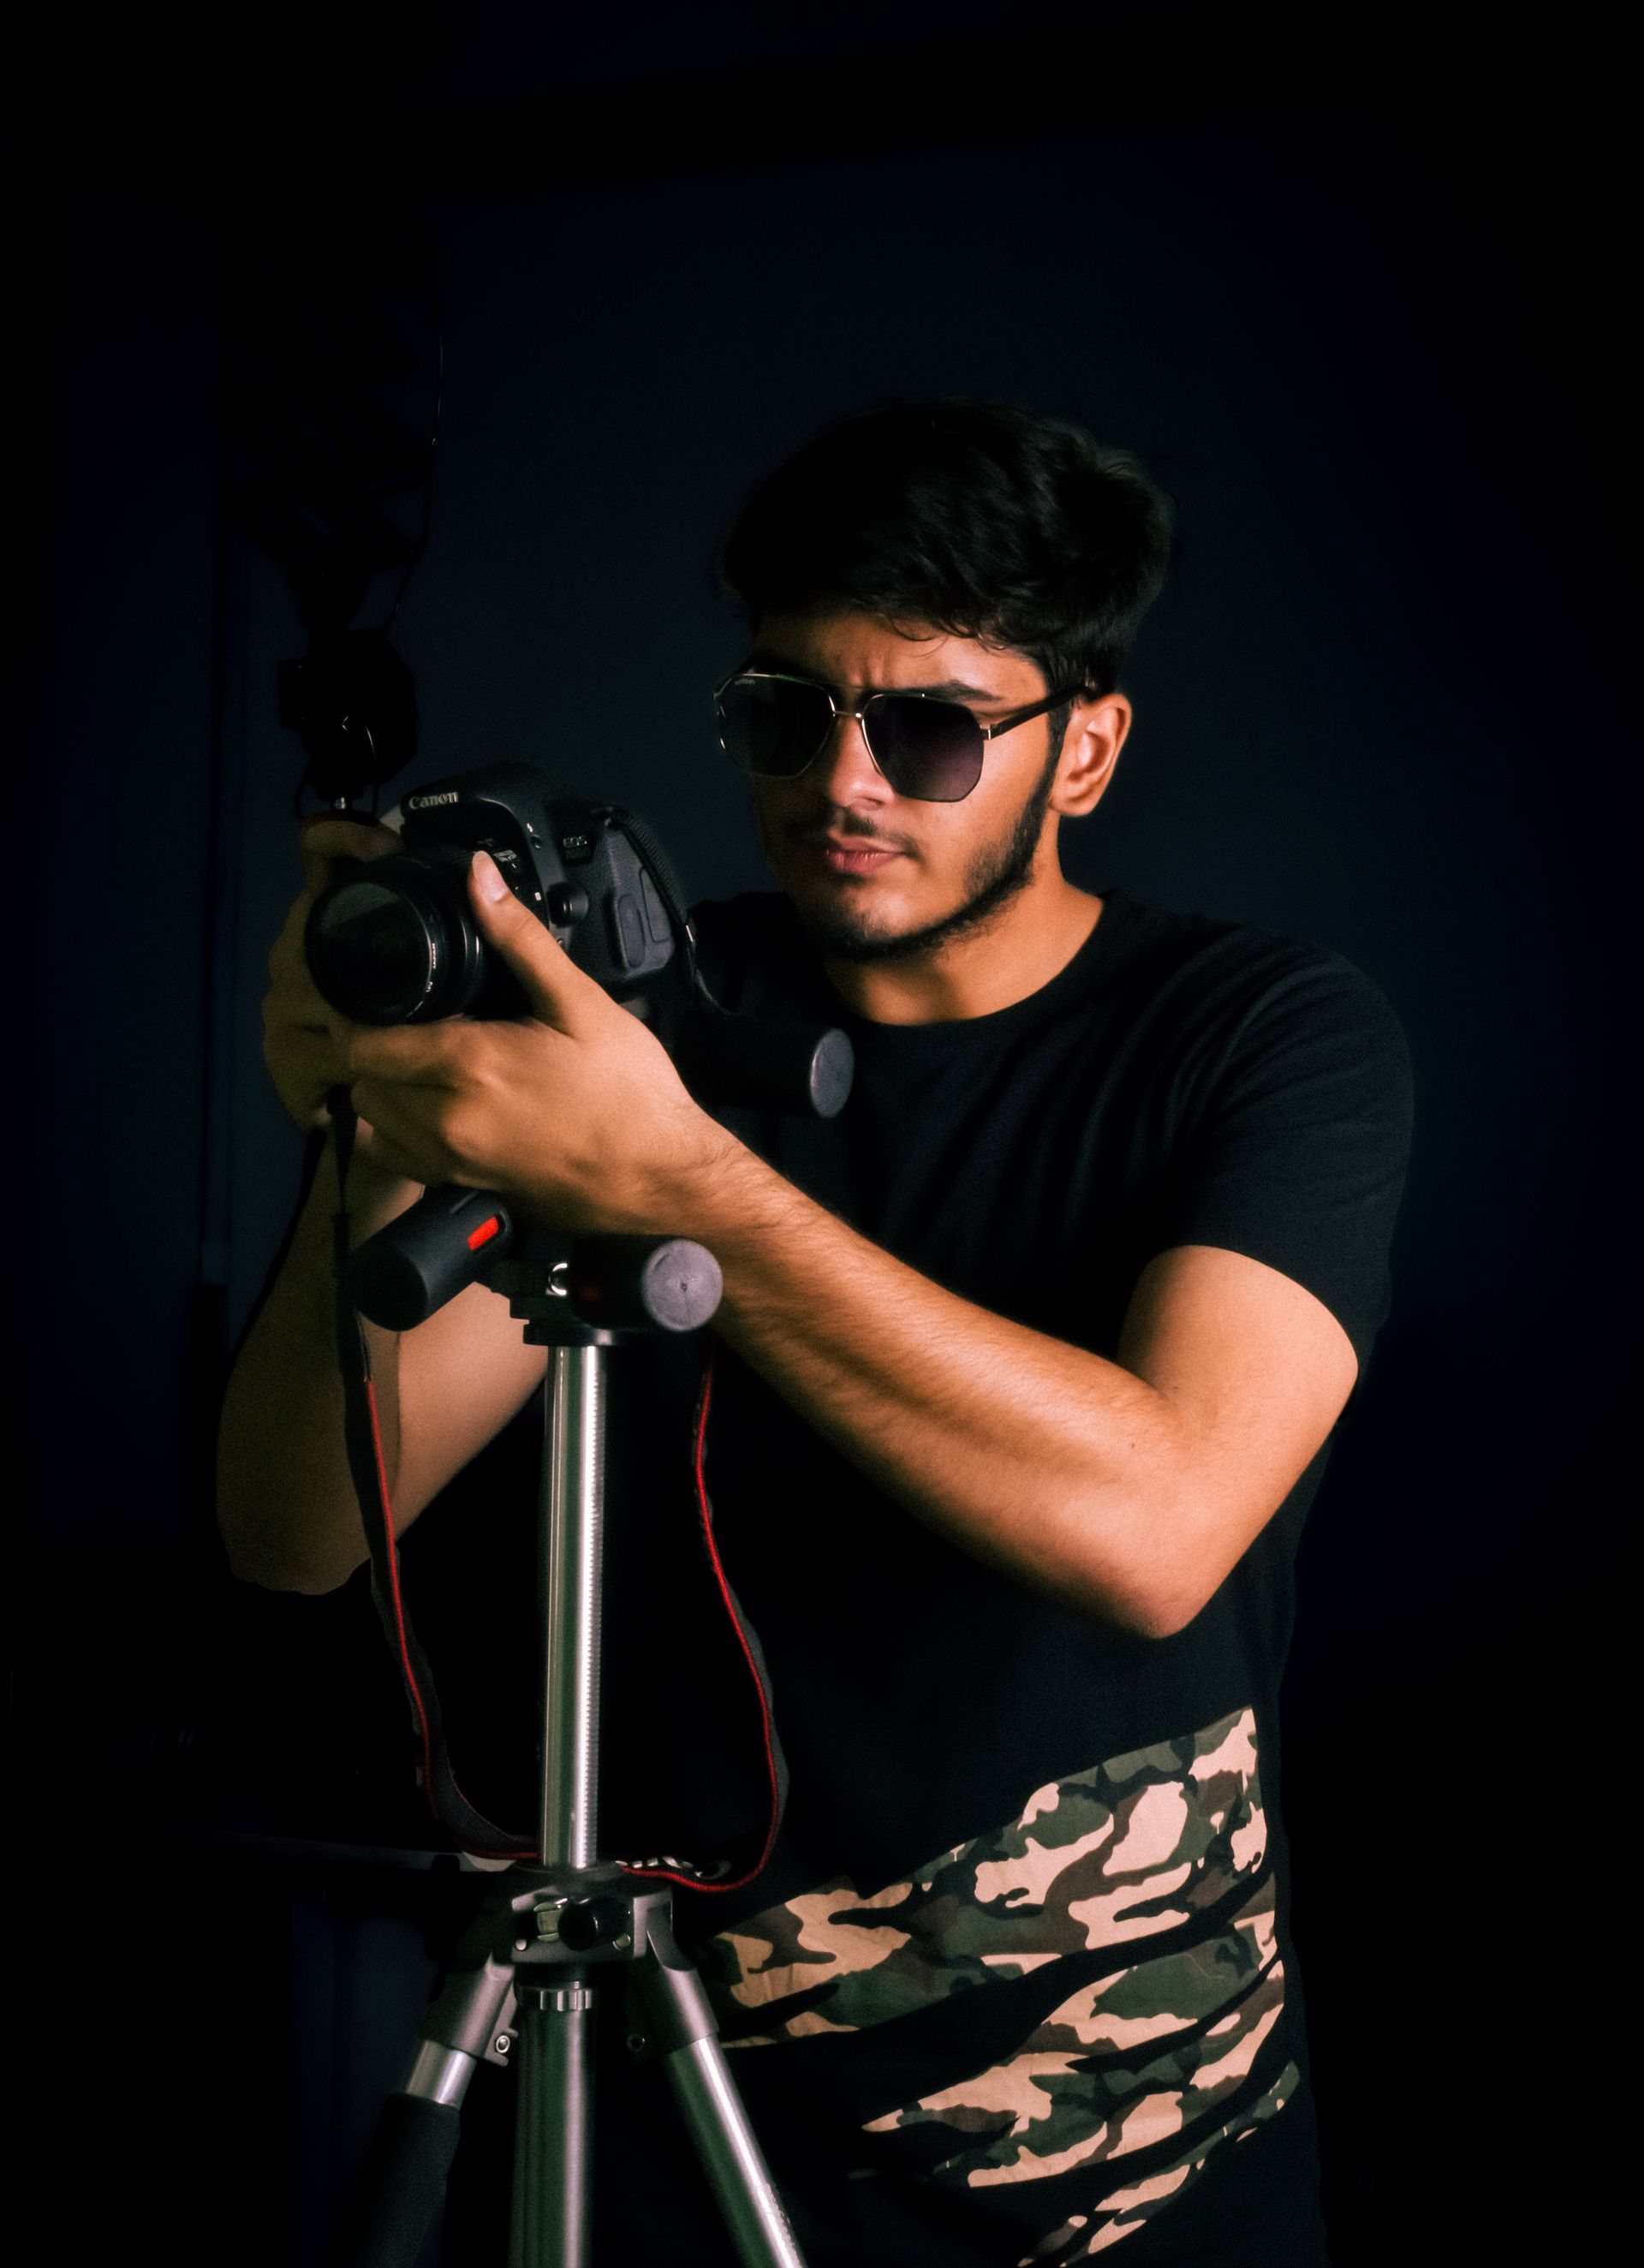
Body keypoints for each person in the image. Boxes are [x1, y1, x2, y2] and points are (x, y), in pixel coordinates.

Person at [217, 398, 1412, 2266]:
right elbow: (295, 1530)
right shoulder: (639, 1017)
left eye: (931, 727)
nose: (847, 781)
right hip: (663, 2146)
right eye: (790, 714)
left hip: (1126, 2177)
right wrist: (376, 1129)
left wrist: (680, 1180)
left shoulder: (1261, 1036)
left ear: (1085, 747)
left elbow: (1158, 1523)